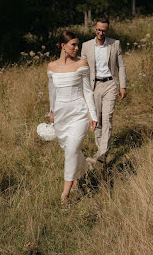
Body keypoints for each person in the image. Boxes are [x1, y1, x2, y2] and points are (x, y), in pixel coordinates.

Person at [47, 31, 97, 207]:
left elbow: (88, 91)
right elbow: (52, 93)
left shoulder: (82, 63)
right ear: (63, 46)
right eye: (73, 45)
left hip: (79, 113)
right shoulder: (52, 67)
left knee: (71, 150)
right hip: (61, 115)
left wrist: (93, 114)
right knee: (71, 149)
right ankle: (80, 173)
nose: (77, 48)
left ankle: (65, 196)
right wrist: (51, 112)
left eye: (78, 45)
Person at [81, 18, 127, 165]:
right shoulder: (86, 46)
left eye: (104, 30)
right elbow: (82, 70)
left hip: (110, 84)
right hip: (94, 87)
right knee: (97, 119)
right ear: (95, 29)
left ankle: (102, 152)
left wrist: (123, 86)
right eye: (99, 30)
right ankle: (100, 148)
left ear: (107, 30)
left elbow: (122, 66)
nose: (101, 33)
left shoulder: (115, 44)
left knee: (107, 118)